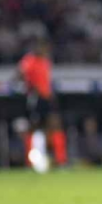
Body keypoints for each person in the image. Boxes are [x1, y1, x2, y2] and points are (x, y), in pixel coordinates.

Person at [15, 39, 67, 173]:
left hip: (47, 98)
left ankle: (60, 161)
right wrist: (30, 87)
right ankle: (30, 162)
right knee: (33, 129)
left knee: (55, 126)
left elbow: (46, 81)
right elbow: (18, 76)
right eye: (42, 47)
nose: (45, 50)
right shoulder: (29, 61)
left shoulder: (46, 62)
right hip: (36, 99)